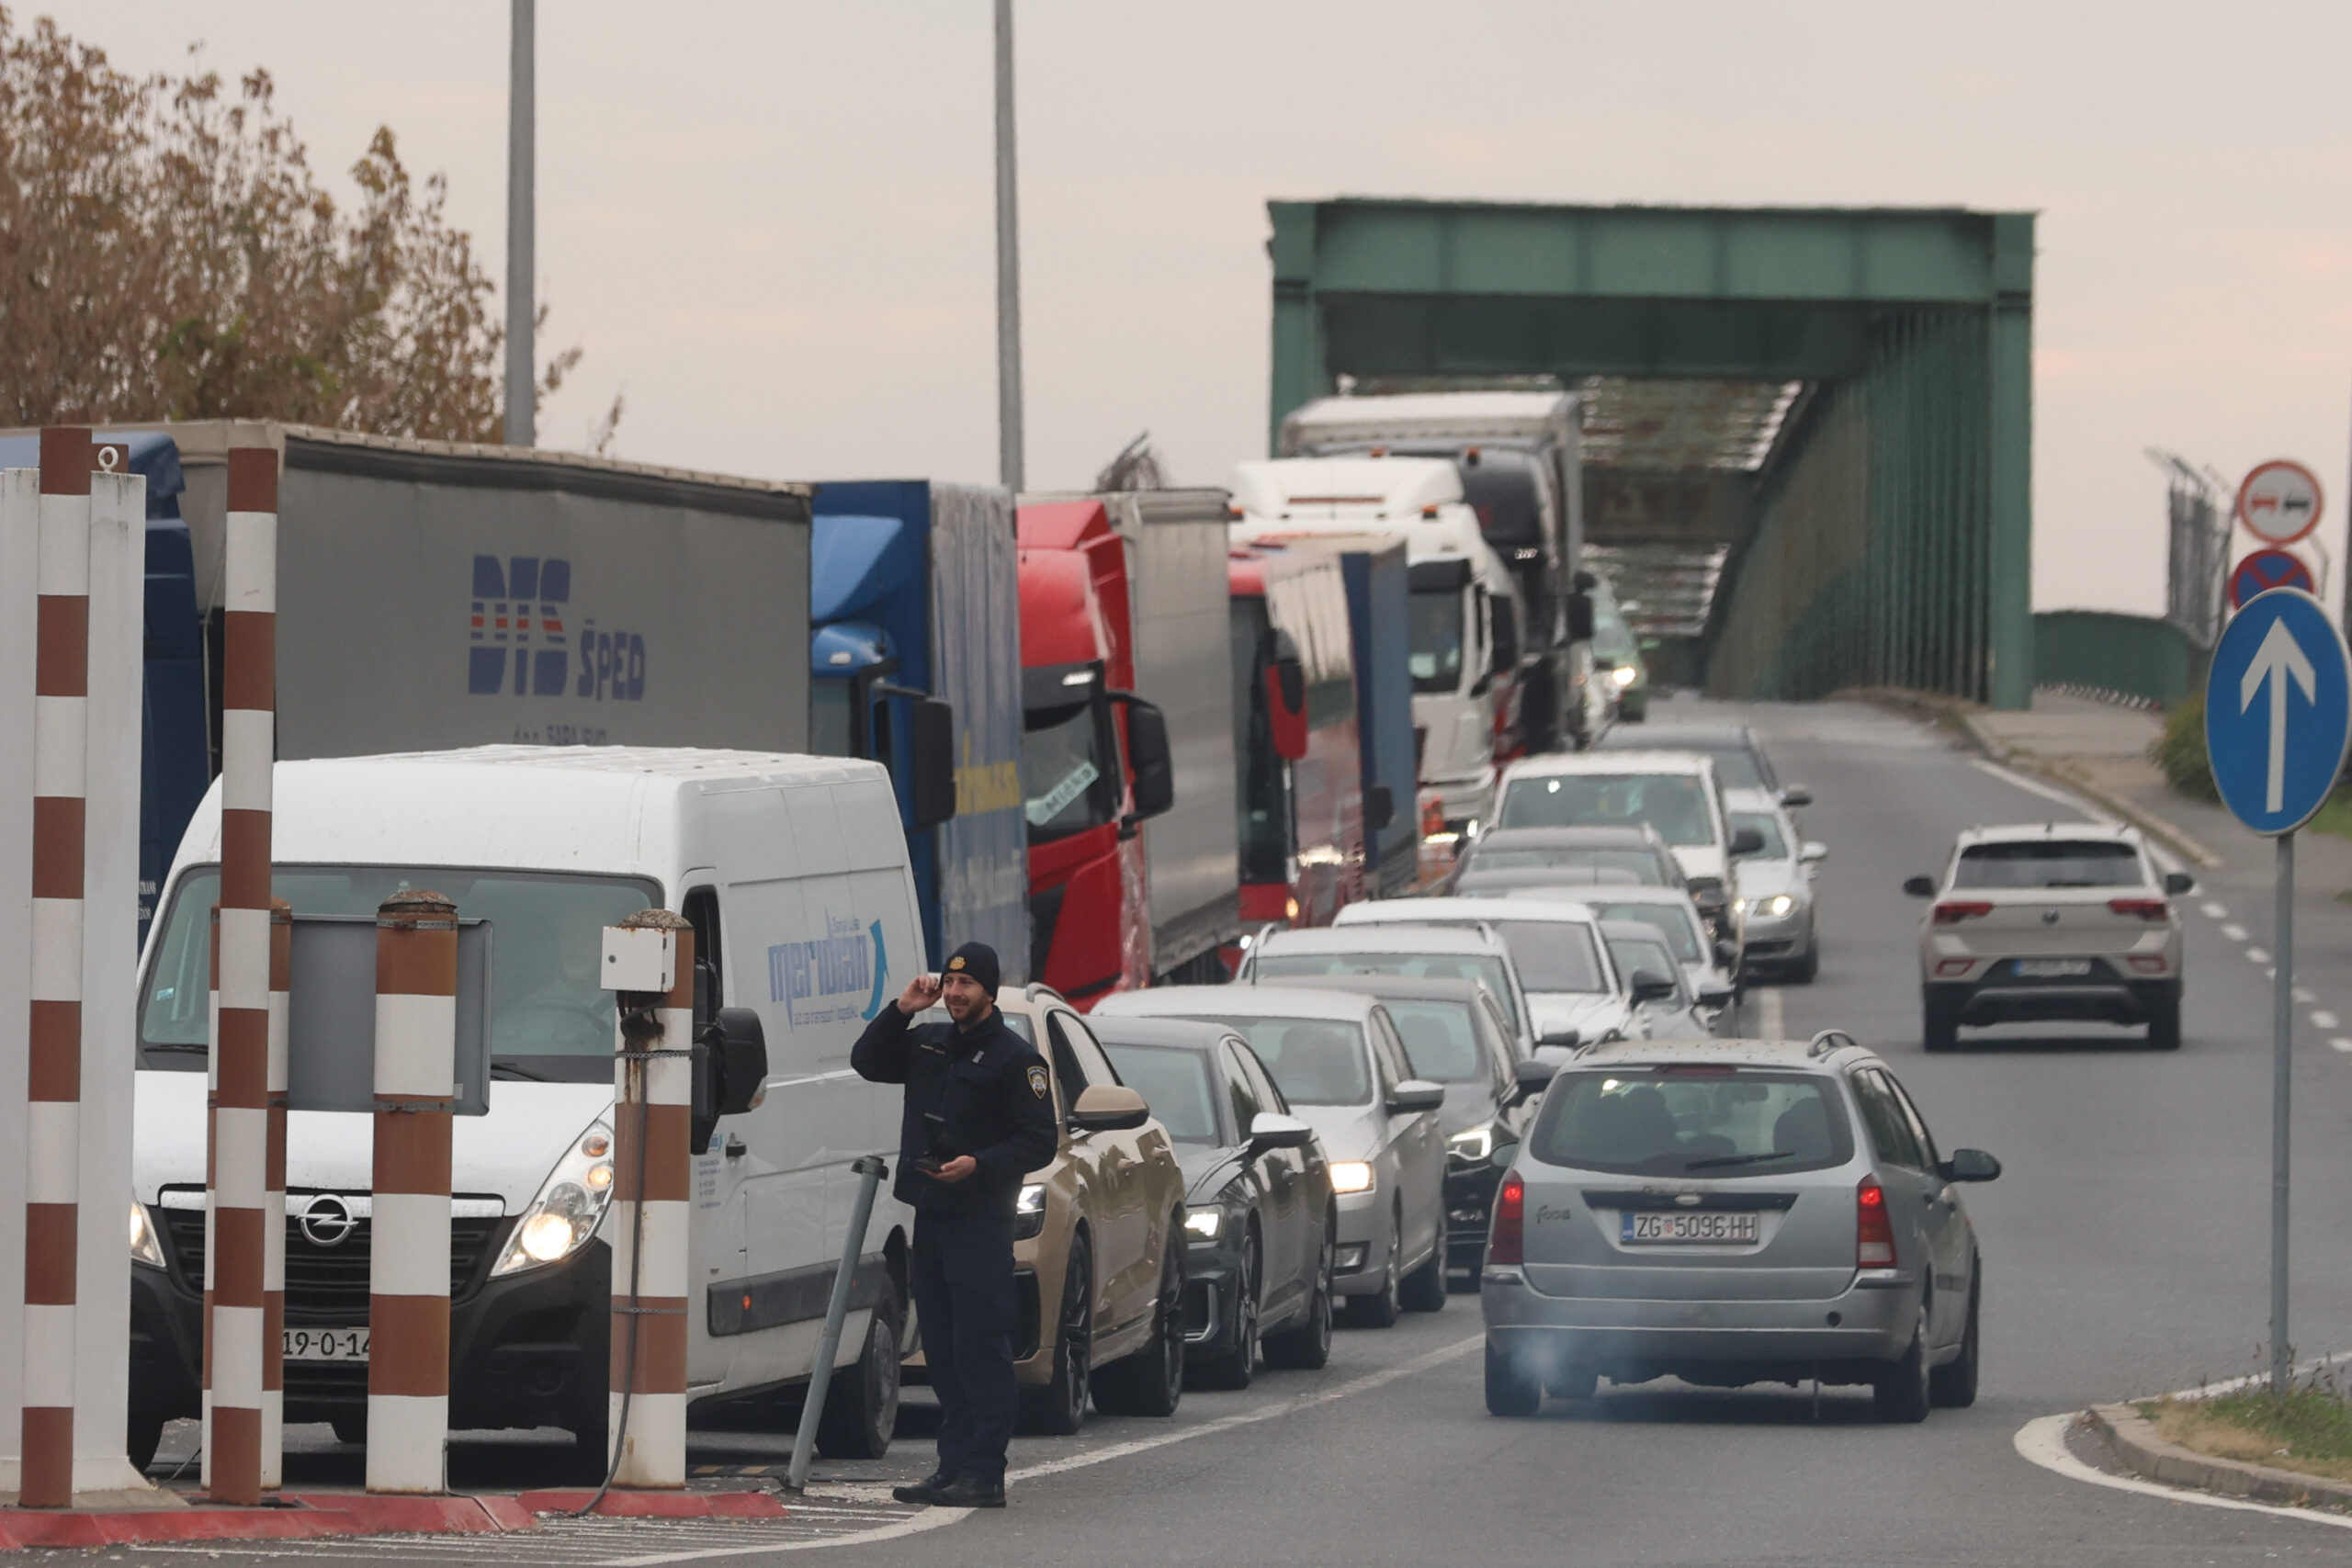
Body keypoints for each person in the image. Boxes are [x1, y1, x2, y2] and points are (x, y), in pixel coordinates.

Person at [851, 942, 1057, 1510]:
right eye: (950, 984)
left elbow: (1040, 1140)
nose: (956, 994)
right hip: (933, 1216)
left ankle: (985, 1471)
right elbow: (866, 1061)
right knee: (940, 1347)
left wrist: (980, 1164)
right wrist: (902, 1009)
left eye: (967, 986)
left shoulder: (1018, 1061)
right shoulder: (928, 1041)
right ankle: (952, 1466)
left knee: (979, 1346)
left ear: (989, 992)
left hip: (981, 1220)